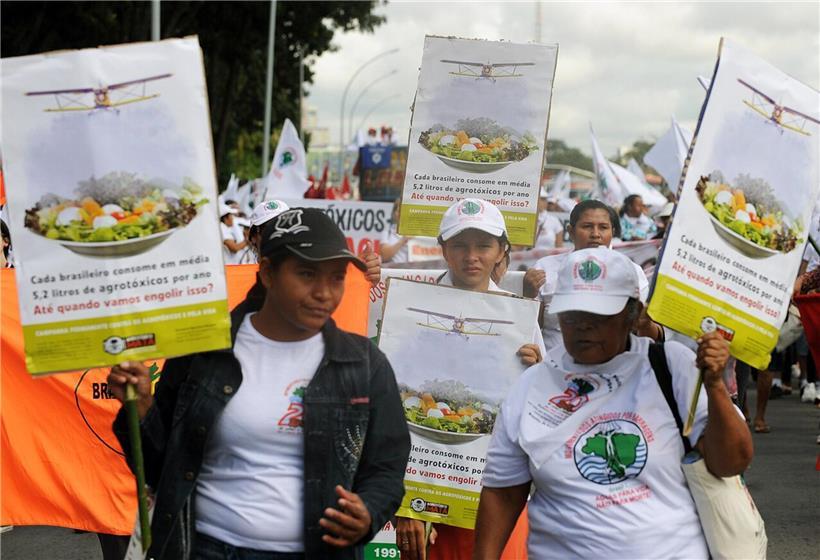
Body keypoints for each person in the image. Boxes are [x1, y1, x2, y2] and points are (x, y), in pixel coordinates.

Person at [108, 208, 411, 560]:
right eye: (307, 274)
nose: (324, 292)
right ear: (268, 272)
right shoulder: (205, 353)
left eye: (336, 277)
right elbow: (160, 468)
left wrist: (368, 511)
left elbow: (387, 466)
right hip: (202, 549)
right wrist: (141, 408)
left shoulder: (364, 364)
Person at [474, 247, 753, 559]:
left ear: (633, 314)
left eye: (598, 315)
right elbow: (503, 493)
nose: (583, 325)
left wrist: (715, 387)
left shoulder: (673, 367)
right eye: (571, 314)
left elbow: (732, 462)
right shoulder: (530, 386)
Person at [396, 198, 541, 560]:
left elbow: (541, 408)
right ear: (443, 249)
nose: (471, 256)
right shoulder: (411, 310)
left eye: (483, 245)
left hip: (499, 489)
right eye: (460, 245)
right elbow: (392, 410)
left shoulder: (518, 317)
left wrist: (540, 371)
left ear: (502, 250)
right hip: (428, 493)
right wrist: (405, 504)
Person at [532, 199, 659, 351]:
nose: (596, 234)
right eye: (587, 226)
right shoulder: (544, 268)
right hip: (551, 363)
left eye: (603, 227)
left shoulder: (632, 272)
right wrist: (528, 294)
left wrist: (645, 324)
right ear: (571, 231)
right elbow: (531, 329)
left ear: (612, 232)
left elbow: (645, 332)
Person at [380, 198, 410, 264]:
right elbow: (384, 256)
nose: (401, 214)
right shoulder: (387, 231)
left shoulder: (419, 231)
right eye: (399, 211)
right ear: (394, 213)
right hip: (393, 270)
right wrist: (403, 240)